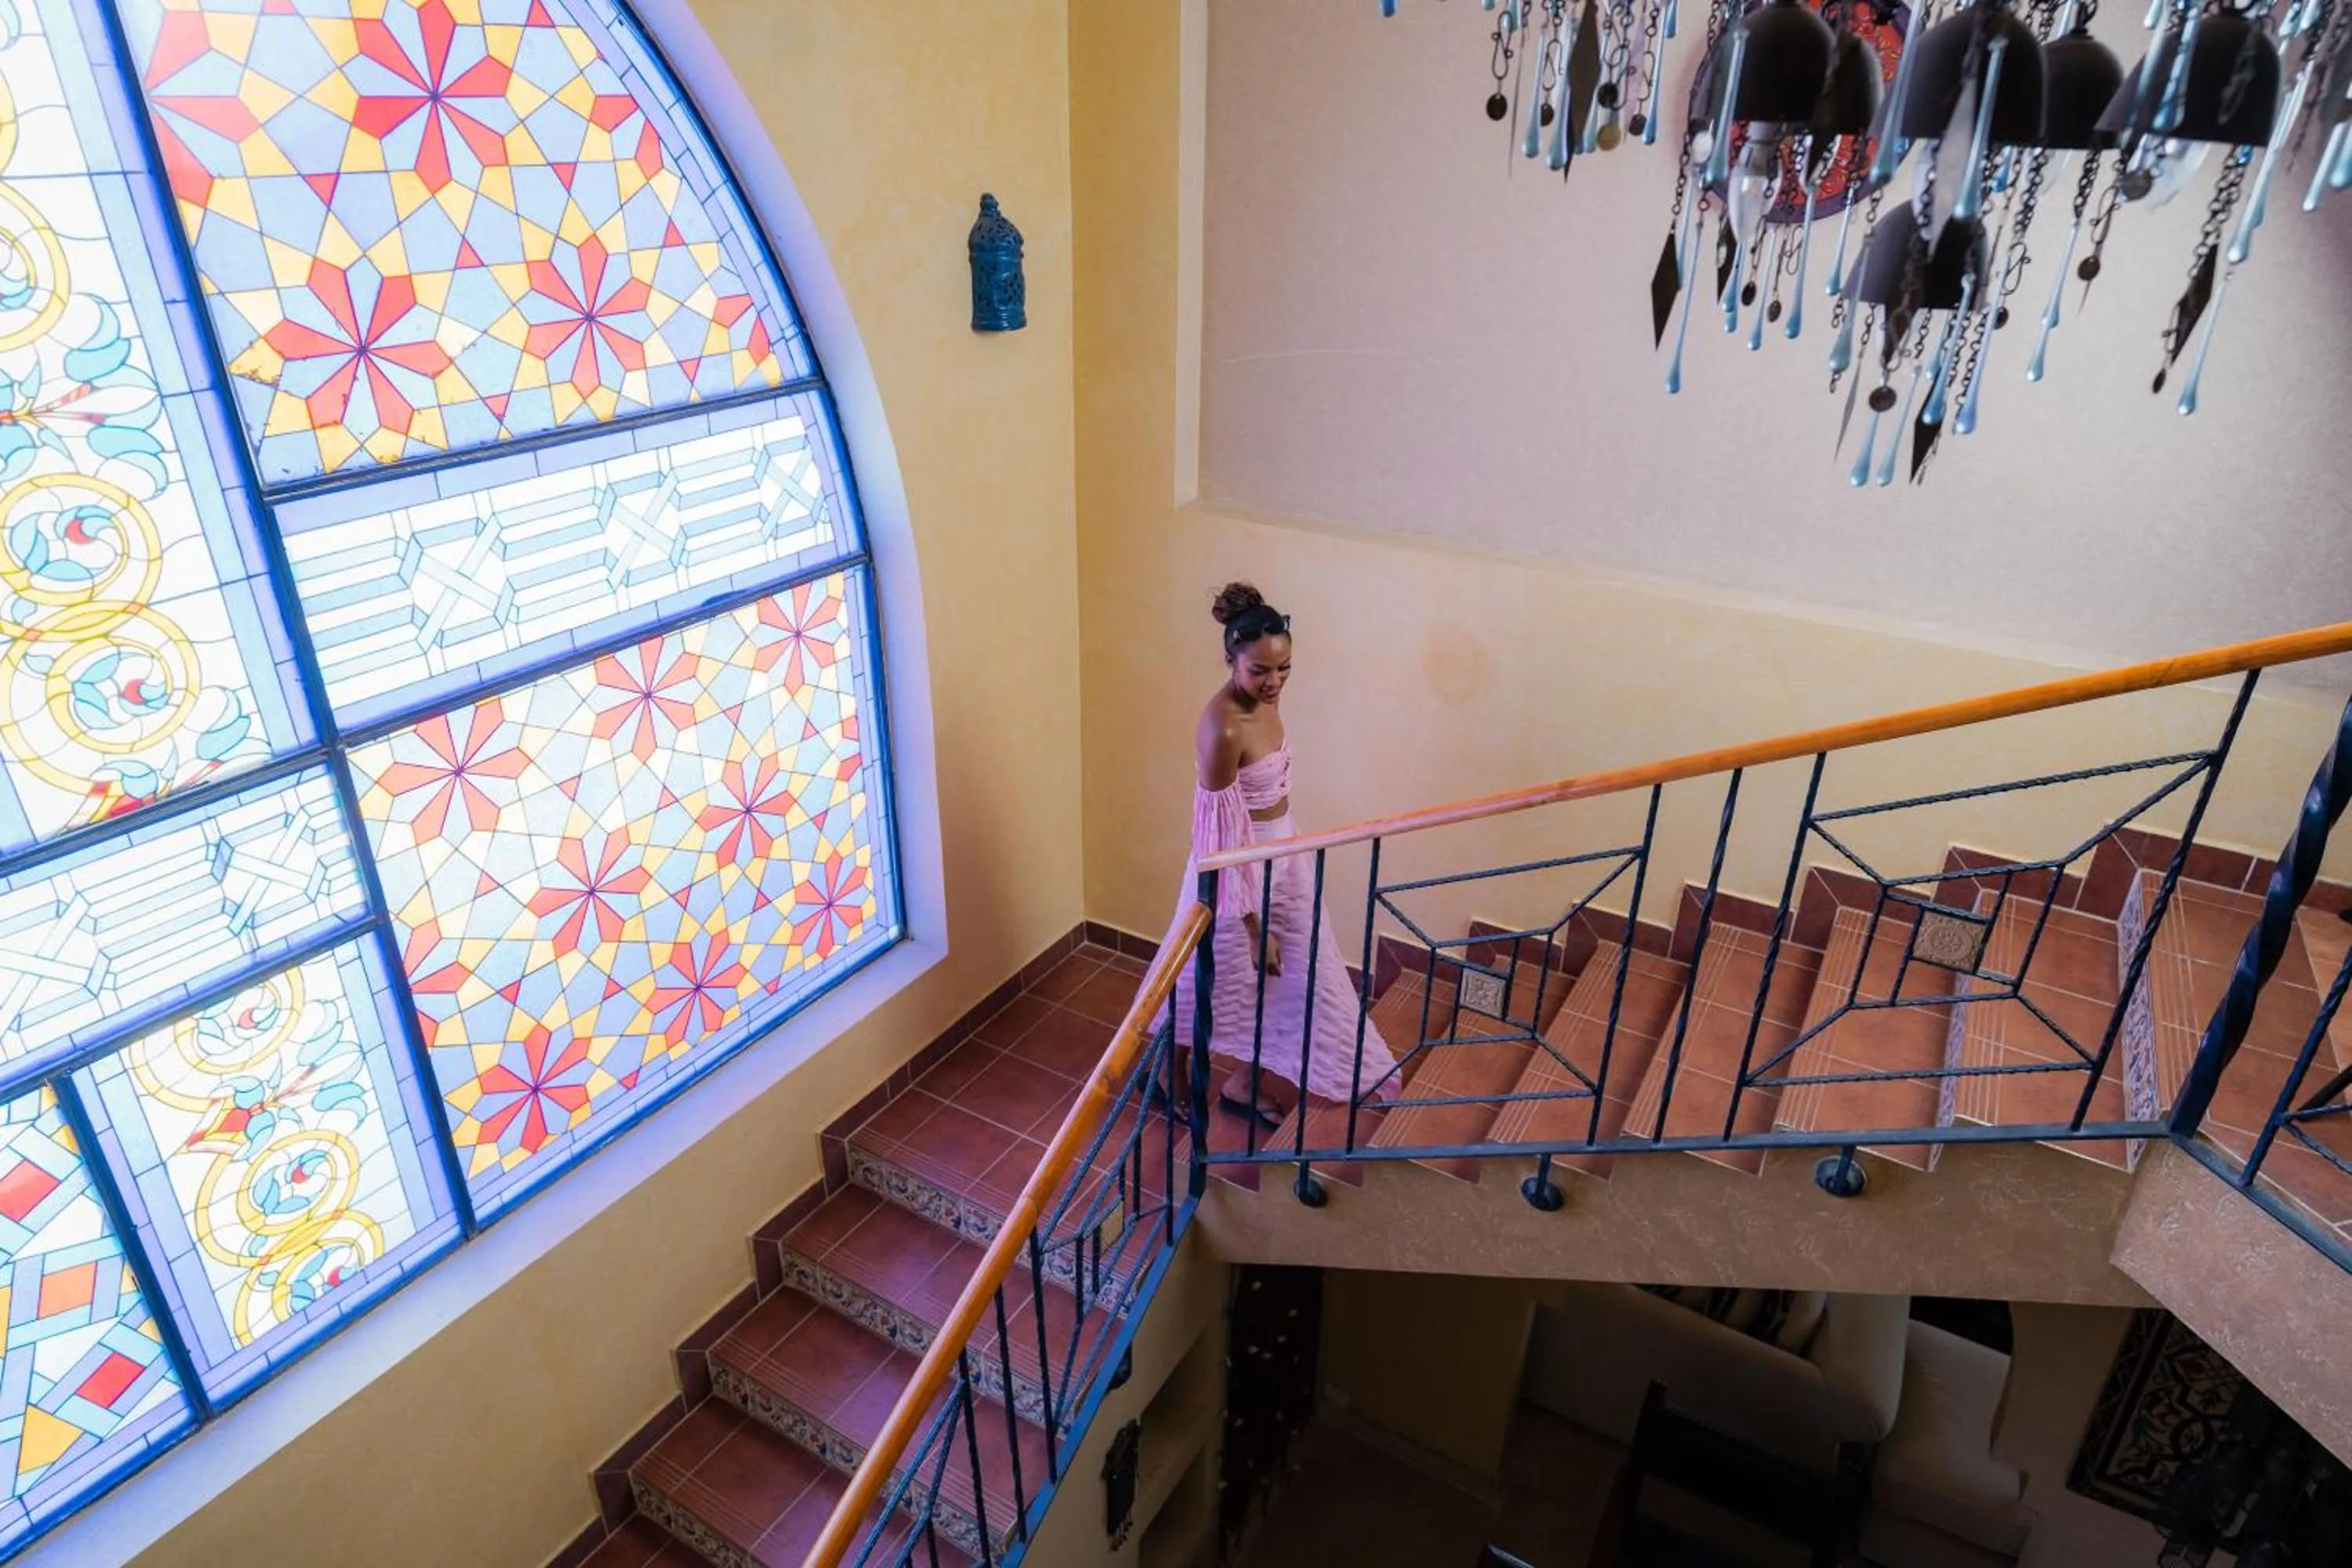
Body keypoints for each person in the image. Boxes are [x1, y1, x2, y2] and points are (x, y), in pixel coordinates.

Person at [1156, 583, 1399, 1128]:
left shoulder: (1267, 704)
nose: (1274, 683)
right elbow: (1218, 841)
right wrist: (1250, 924)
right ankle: (1169, 1070)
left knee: (1293, 976)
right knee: (1206, 974)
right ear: (1230, 660)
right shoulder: (1221, 726)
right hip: (1234, 872)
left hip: (1283, 858)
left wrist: (1289, 859)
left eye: (1284, 668)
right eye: (1260, 671)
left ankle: (1244, 1081)